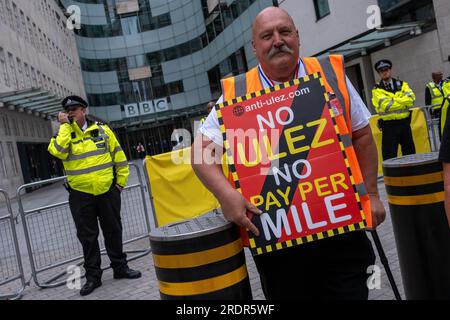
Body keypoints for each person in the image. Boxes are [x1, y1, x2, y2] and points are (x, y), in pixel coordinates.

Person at [191, 7, 385, 300]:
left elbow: (362, 135)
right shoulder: (236, 95)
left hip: (343, 234)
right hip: (279, 245)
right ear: (255, 47)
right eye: (267, 36)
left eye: (284, 32)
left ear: (298, 36)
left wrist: (371, 195)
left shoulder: (331, 75)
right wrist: (226, 195)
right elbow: (200, 154)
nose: (277, 40)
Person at [48, 95, 141, 296]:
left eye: (75, 109)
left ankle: (120, 268)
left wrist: (119, 184)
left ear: (84, 111)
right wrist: (64, 126)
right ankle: (93, 278)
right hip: (80, 195)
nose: (71, 112)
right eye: (68, 110)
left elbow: (119, 157)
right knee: (88, 238)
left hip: (108, 192)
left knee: (113, 231)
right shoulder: (63, 134)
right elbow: (57, 152)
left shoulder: (103, 130)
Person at [372, 59, 416, 161]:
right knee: (389, 155)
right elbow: (385, 106)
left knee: (410, 153)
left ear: (390, 70)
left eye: (386, 69)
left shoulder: (403, 84)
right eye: (381, 71)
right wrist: (401, 100)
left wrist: (393, 100)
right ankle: (392, 177)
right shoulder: (377, 89)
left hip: (404, 124)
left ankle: (412, 174)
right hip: (389, 126)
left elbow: (411, 99)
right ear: (379, 73)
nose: (384, 72)